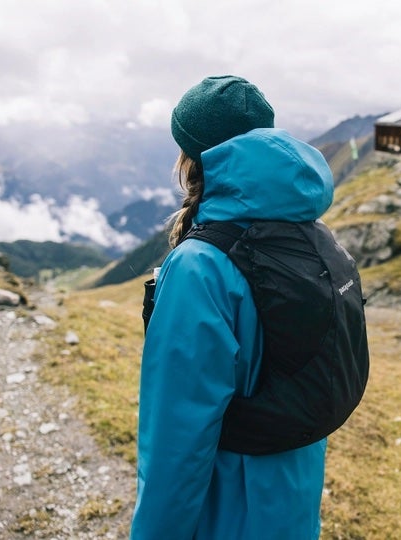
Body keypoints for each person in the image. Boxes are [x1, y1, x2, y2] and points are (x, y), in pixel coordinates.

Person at [130, 75, 333, 539]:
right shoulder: (310, 232)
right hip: (293, 495)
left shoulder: (199, 266)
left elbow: (178, 440)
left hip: (228, 507)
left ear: (191, 158)